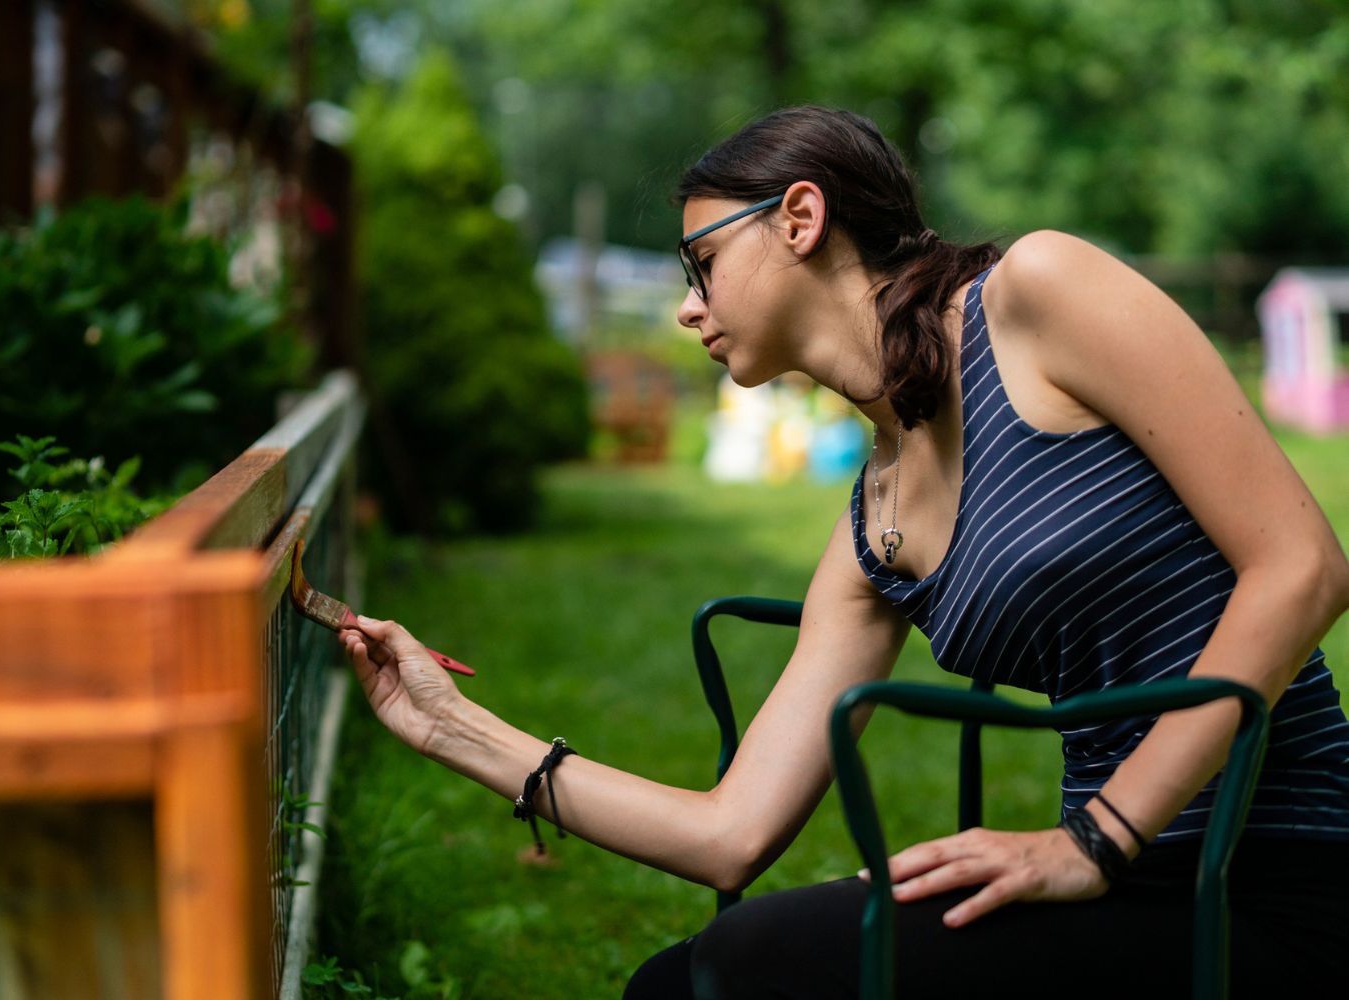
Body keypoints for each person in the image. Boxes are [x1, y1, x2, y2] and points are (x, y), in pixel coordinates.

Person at [340, 106, 1349, 997]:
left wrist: (1096, 838)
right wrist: (452, 726)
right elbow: (730, 831)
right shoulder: (877, 526)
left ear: (799, 217)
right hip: (1116, 885)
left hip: (1271, 887)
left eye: (703, 265)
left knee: (753, 963)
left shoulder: (1040, 298)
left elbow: (1303, 563)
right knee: (671, 982)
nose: (687, 306)